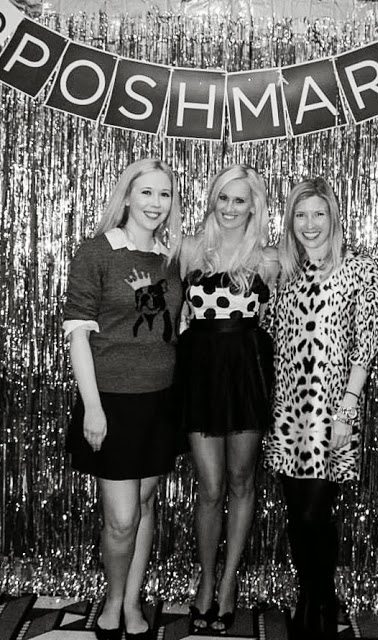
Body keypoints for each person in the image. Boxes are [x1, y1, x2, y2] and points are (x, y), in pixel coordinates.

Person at [63, 158, 183, 640]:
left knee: (146, 502)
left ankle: (132, 601)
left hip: (161, 402)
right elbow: (78, 336)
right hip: (112, 401)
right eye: (147, 192)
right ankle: (113, 601)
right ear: (128, 196)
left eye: (165, 194)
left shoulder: (171, 259)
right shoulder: (97, 251)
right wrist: (92, 407)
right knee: (121, 518)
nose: (156, 203)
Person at [264, 177, 378, 640]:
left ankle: (320, 597)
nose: (310, 224)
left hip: (332, 410)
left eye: (318, 214)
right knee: (297, 515)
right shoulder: (283, 272)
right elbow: (268, 335)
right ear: (290, 221)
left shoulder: (359, 268)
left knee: (316, 513)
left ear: (333, 217)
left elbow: (365, 346)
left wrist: (347, 411)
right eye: (300, 215)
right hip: (287, 410)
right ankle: (311, 596)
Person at [176, 164, 278, 634]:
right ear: (212, 200)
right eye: (223, 198)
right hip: (199, 375)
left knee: (240, 481)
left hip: (246, 376)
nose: (231, 208)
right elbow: (176, 315)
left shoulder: (269, 258)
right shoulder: (190, 249)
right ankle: (205, 578)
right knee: (210, 486)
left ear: (254, 205)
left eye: (240, 200)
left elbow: (277, 319)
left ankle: (229, 579)